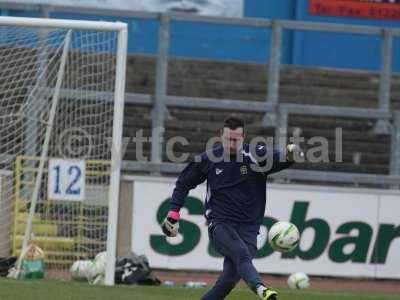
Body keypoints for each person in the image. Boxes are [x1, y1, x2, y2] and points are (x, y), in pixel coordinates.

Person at [161, 116, 303, 300]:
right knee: (241, 253)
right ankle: (261, 289)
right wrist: (173, 213)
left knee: (226, 283)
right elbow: (183, 183)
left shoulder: (255, 155)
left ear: (243, 136)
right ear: (221, 135)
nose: (231, 142)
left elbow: (279, 158)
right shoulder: (209, 158)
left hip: (249, 229)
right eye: (228, 138)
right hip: (220, 225)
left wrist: (291, 154)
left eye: (236, 139)